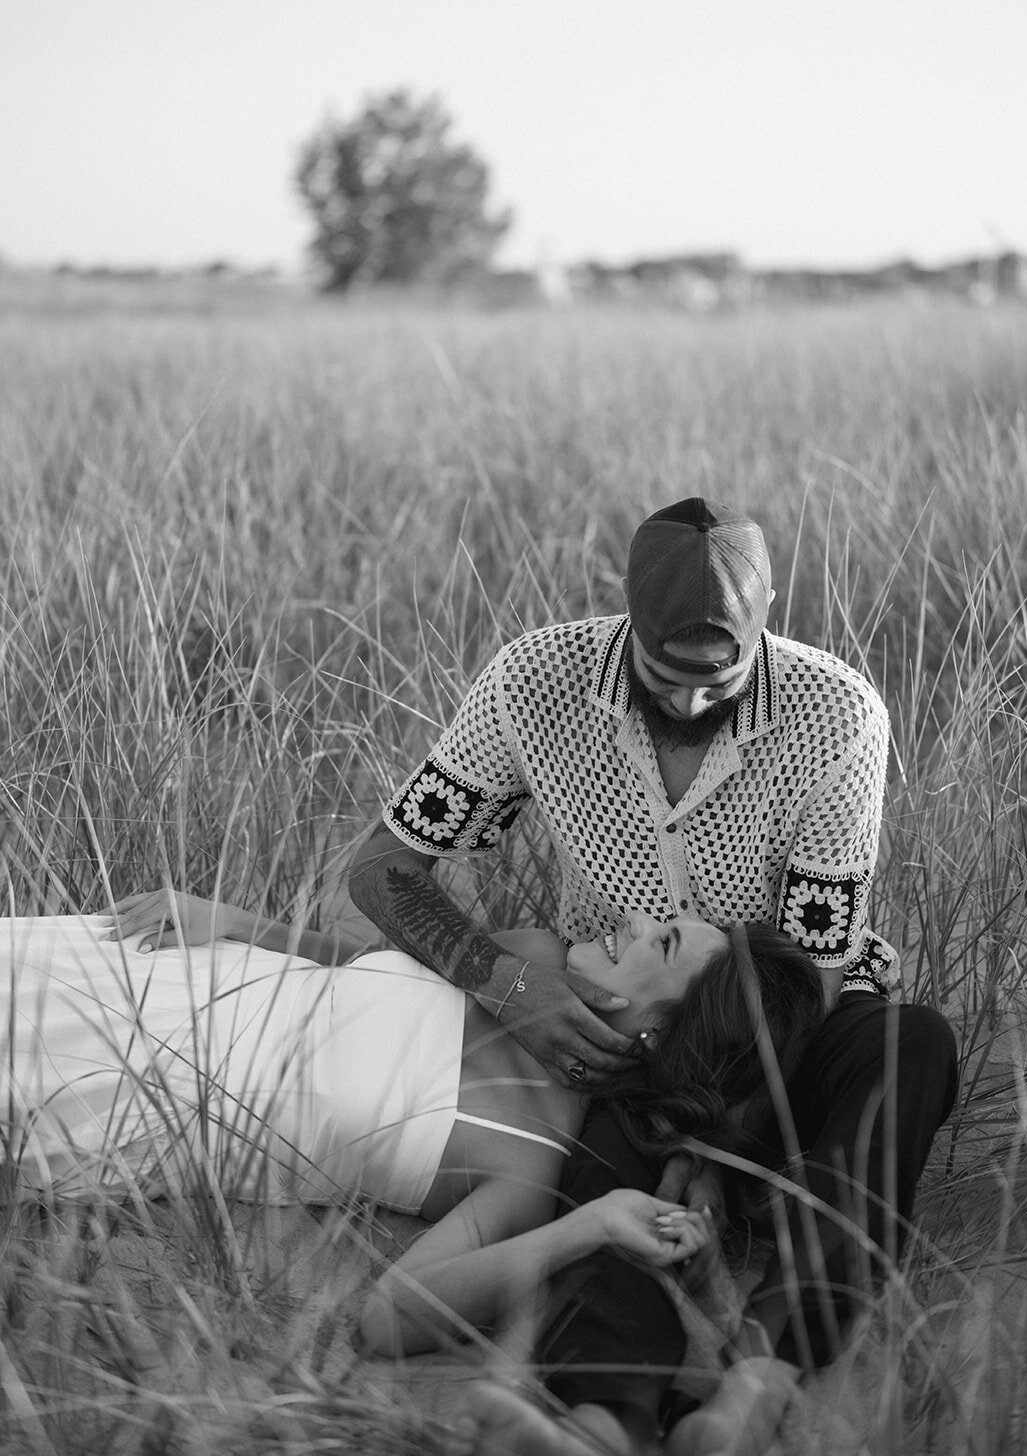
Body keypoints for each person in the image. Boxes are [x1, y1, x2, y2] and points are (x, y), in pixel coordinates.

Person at [338, 496, 959, 1453]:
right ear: (629, 624)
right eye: (666, 677)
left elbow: (817, 963)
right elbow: (383, 864)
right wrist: (503, 983)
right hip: (630, 1017)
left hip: (783, 1012)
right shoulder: (532, 682)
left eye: (721, 682)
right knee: (614, 1157)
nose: (691, 703)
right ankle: (602, 1418)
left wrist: (710, 1140)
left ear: (761, 634)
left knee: (910, 1041)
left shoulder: (838, 714)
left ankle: (757, 1380)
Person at [0, 897, 824, 1357]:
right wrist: (237, 921)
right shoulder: (526, 955)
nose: (636, 917)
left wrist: (593, 1223)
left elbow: (389, 1317)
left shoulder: (523, 1159)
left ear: (657, 1031)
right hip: (131, 969)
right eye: (661, 913)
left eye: (664, 936)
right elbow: (358, 969)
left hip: (117, 1098)